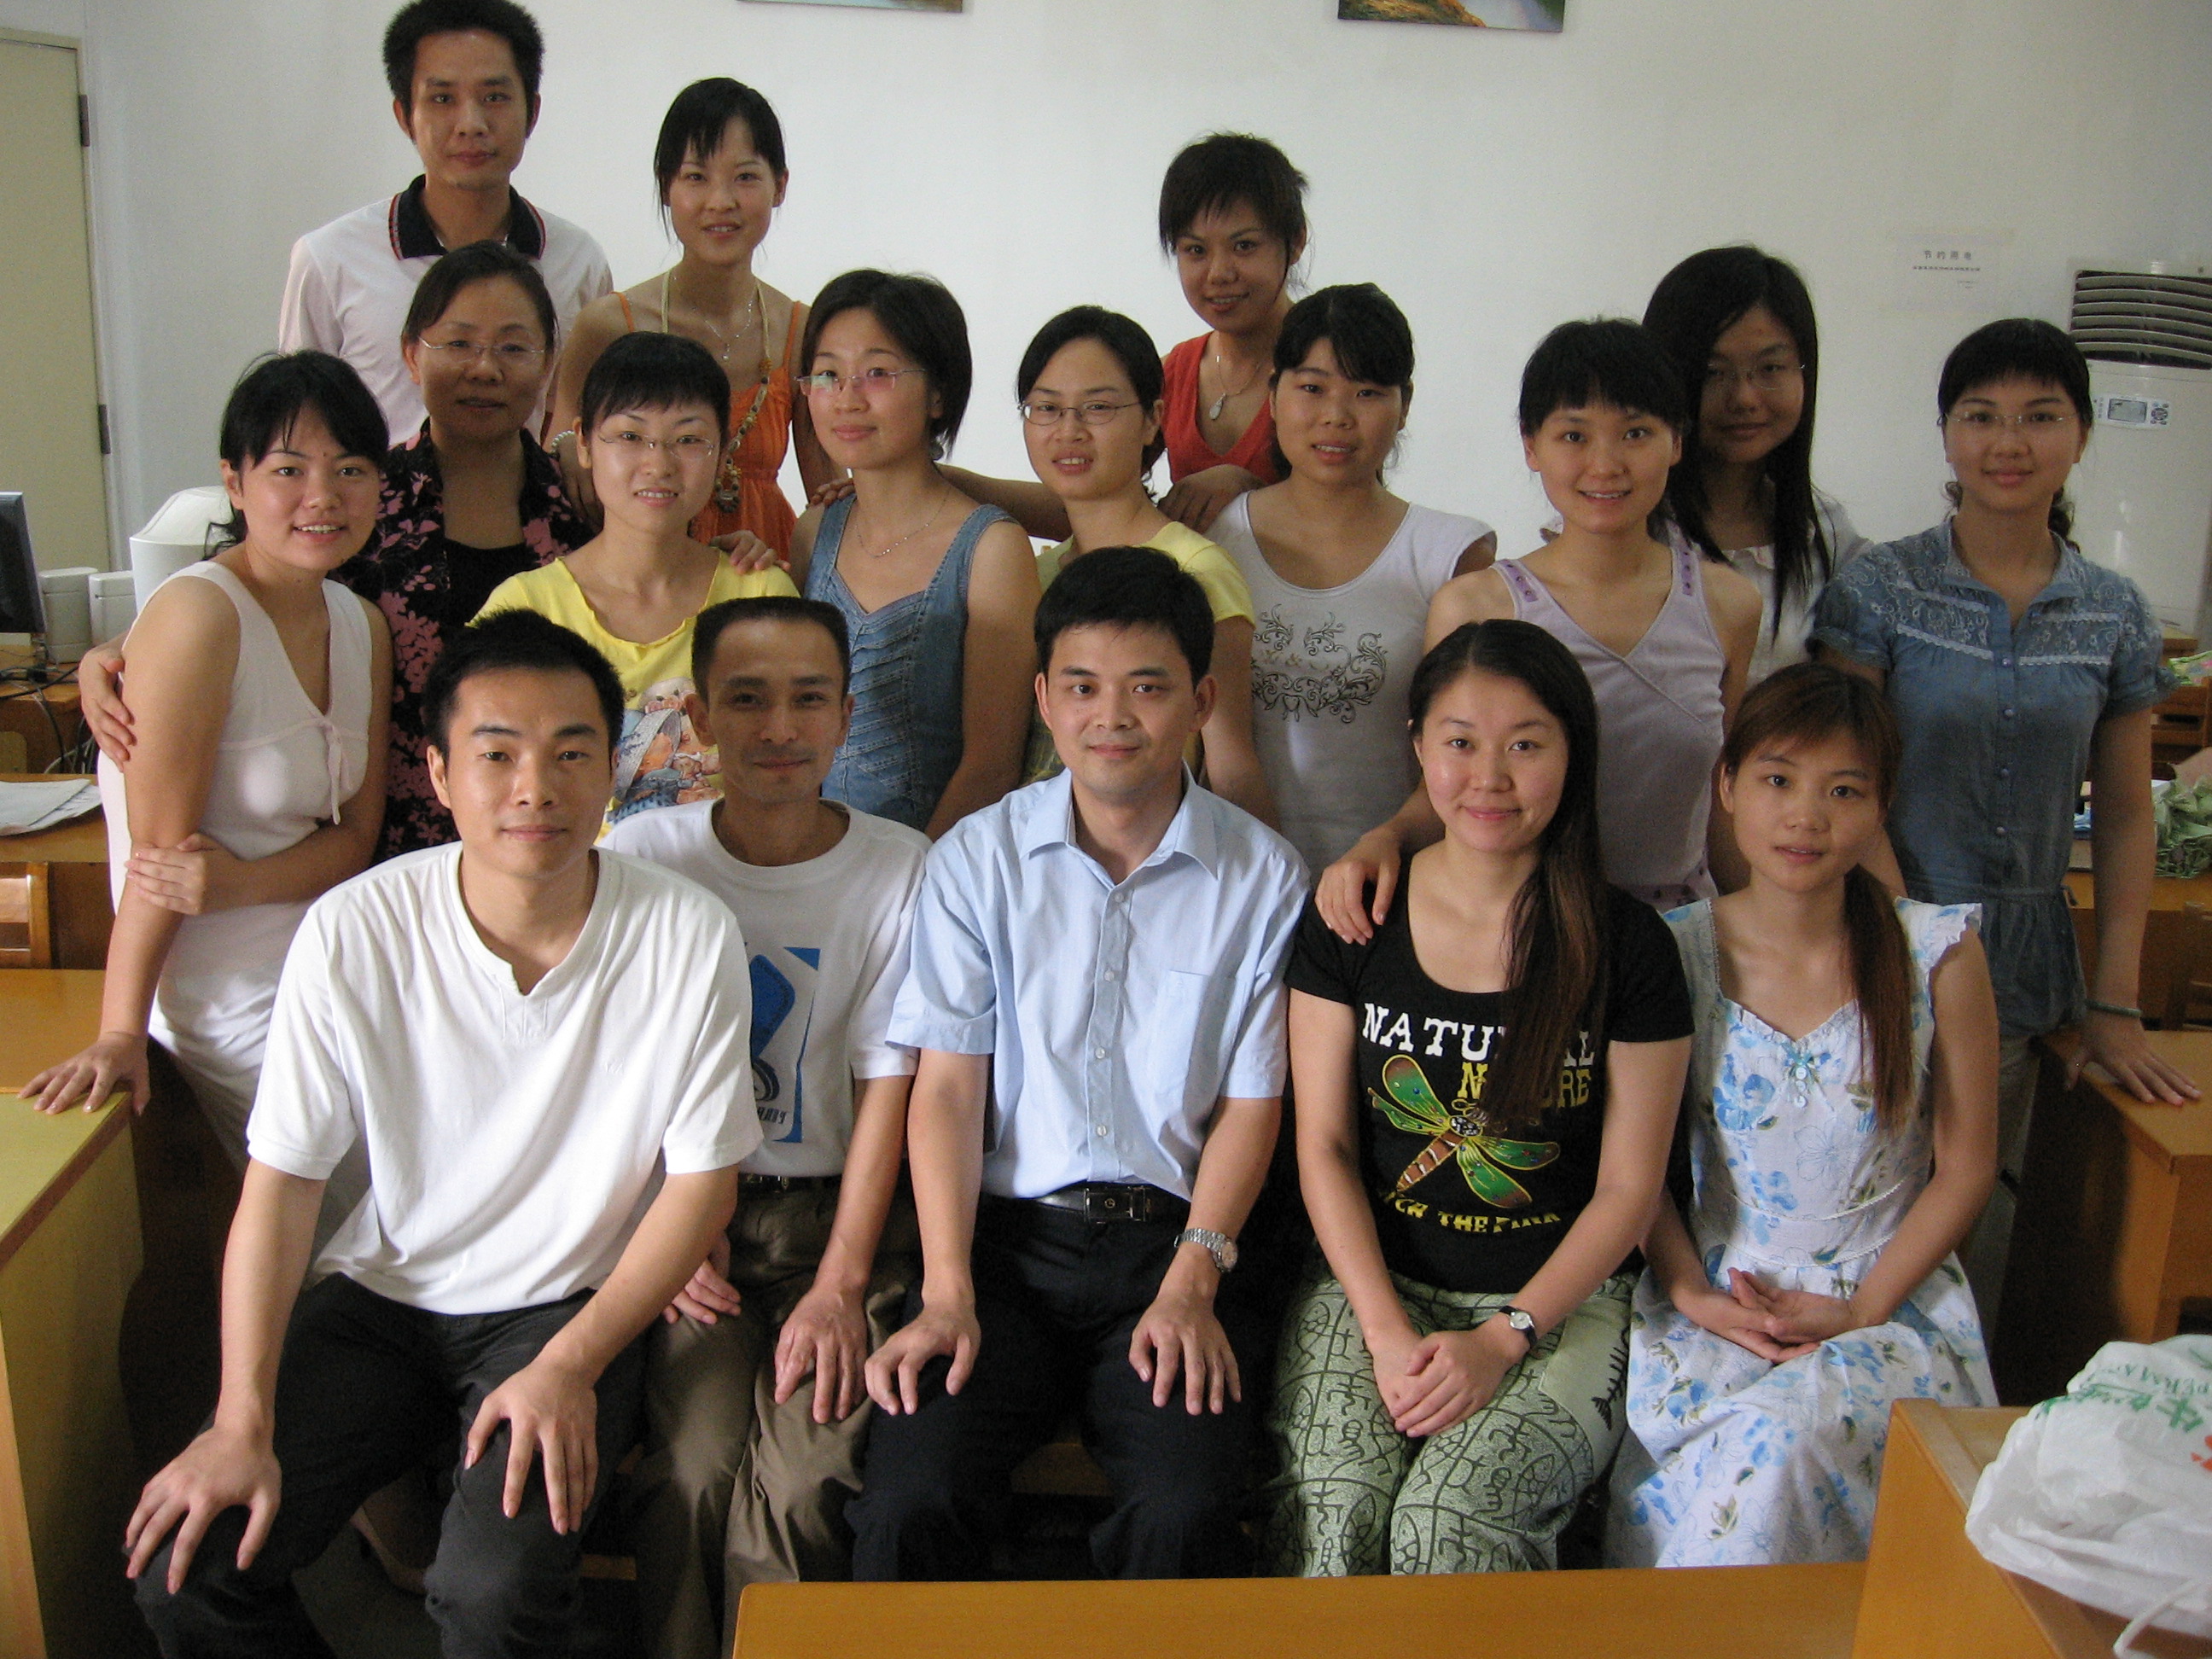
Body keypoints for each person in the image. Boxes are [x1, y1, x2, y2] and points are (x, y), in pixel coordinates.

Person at [124, 610, 757, 1655]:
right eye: (496, 754)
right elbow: (281, 1186)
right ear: (438, 773)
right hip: (386, 1295)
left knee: (491, 1595)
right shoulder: (355, 929)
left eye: (571, 754)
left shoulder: (687, 933)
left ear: (612, 770)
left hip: (564, 1308)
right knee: (185, 1569)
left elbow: (701, 1187)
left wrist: (571, 1364)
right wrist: (240, 1417)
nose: (534, 789)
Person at [849, 547, 1306, 1580]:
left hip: (1175, 1250)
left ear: (1201, 702)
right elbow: (948, 1087)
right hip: (1003, 1253)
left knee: (1187, 1510)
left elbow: (1252, 1107)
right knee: (911, 1497)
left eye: (1147, 688)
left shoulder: (1265, 878)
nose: (1113, 717)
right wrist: (947, 1289)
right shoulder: (975, 860)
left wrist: (1194, 1280)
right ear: (1045, 701)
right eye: (1084, 687)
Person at [1260, 619, 1691, 1576]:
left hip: (1558, 1305)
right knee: (1336, 1508)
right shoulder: (1354, 919)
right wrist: (1383, 1331)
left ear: (1573, 755)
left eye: (1526, 745)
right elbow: (1324, 1146)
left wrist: (1504, 1338)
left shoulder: (1629, 945)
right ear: (1418, 747)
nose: (1490, 776)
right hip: (1369, 1285)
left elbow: (1630, 1189)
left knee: (1449, 1524)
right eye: (1460, 742)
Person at [1811, 317, 2197, 1330]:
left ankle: (1942, 1418)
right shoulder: (1881, 591)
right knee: (1851, 1206)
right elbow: (1844, 784)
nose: (2009, 442)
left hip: (2022, 964)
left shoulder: (2114, 613)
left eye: (2040, 416)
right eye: (1981, 416)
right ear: (1947, 435)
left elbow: (2125, 815)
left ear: (2080, 435)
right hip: (1876, 942)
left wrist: (2115, 999)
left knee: (1970, 1220)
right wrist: (1916, 940)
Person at [1607, 663, 1999, 1569]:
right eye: (1778, 780)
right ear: (1727, 786)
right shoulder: (1673, 952)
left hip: (1889, 1304)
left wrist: (1863, 1308)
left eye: (1843, 791)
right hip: (1719, 1297)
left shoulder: (1939, 953)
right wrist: (1691, 1292)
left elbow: (1968, 1165)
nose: (1805, 817)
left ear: (1882, 806)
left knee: (1783, 1443)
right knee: (1732, 1467)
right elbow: (1634, 1170)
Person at [605, 597, 926, 1659]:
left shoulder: (899, 867)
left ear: (846, 717)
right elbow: (614, 1069)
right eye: (745, 700)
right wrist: (662, 1222)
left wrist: (841, 1284)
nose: (779, 728)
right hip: (692, 1221)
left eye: (808, 699)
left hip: (841, 1223)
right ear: (699, 718)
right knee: (691, 1472)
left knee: (798, 1489)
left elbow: (890, 1086)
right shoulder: (643, 854)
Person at [25, 354, 392, 1218]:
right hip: (223, 984)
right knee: (367, 1190)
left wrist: (241, 882)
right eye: (288, 470)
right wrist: (122, 1030)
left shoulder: (361, 623)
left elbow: (354, 839)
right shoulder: (199, 616)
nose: (323, 496)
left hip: (329, 953)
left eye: (349, 469)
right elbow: (159, 866)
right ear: (234, 482)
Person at [80, 243, 594, 860]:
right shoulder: (358, 496)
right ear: (411, 354)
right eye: (459, 343)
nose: (485, 369)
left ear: (548, 362)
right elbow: (256, 588)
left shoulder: (584, 507)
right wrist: (120, 650)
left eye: (513, 348)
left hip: (542, 836)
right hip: (376, 847)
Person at [1318, 318, 1761, 938]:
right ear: (1531, 446)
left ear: (1677, 441)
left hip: (1679, 931)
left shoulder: (1728, 604)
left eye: (1636, 433)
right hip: (1527, 931)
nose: (1605, 464)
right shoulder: (1475, 606)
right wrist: (1383, 839)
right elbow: (1451, 786)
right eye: (1574, 435)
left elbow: (1724, 801)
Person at [1208, 282, 1496, 876]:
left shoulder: (1449, 555)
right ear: (1273, 395)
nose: (1336, 417)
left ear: (1404, 405)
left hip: (1400, 880)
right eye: (1312, 388)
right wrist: (1270, 881)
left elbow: (1470, 750)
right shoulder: (1217, 538)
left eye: (1367, 392)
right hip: (1239, 877)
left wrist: (1386, 846)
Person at [477, 329, 797, 826]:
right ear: (584, 443)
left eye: (688, 440)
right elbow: (484, 770)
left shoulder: (759, 596)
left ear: (723, 453)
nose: (658, 464)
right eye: (630, 437)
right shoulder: (525, 611)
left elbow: (793, 761)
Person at [926, 132, 1309, 543]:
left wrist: (1249, 491)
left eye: (1244, 246)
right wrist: (933, 478)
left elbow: (1348, 511)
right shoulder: (1175, 372)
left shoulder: (1331, 369)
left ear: (1295, 242)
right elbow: (1091, 507)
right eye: (1196, 250)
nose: (1219, 273)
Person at [280, 0, 610, 444]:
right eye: (442, 99)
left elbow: (591, 426)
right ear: (405, 116)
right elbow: (297, 429)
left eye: (494, 97)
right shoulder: (330, 260)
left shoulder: (578, 262)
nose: (471, 124)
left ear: (532, 112)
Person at [788, 270, 1038, 837]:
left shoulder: (992, 550)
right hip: (811, 857)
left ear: (939, 394)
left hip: (937, 866)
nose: (847, 398)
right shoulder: (814, 532)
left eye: (878, 373)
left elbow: (992, 765)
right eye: (827, 374)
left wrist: (912, 876)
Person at [551, 79, 833, 562]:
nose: (720, 201)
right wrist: (563, 446)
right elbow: (564, 457)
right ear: (666, 186)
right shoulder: (607, 326)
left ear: (780, 186)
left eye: (745, 177)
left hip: (764, 569)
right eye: (696, 177)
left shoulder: (802, 330)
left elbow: (827, 492)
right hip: (643, 574)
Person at [1015, 304, 1273, 823]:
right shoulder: (1033, 575)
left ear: (1154, 418)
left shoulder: (1197, 568)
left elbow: (1230, 766)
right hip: (1034, 855)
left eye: (1098, 408)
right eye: (1046, 408)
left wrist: (1258, 867)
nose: (1069, 431)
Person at [1640, 246, 1870, 684]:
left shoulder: (1826, 535)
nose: (1745, 398)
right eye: (1713, 372)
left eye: (1771, 368)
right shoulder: (1625, 523)